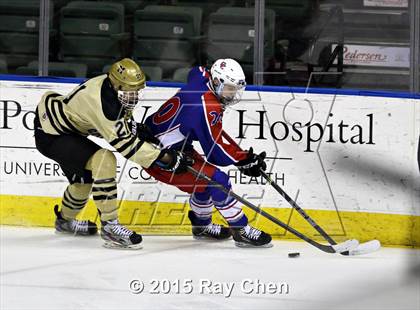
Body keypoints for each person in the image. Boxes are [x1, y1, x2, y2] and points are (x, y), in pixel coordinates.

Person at [34, 58, 187, 249]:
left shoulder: (112, 90)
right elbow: (127, 146)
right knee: (104, 161)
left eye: (137, 90)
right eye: (129, 90)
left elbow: (121, 125)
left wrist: (136, 130)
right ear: (115, 84)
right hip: (52, 133)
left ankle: (64, 222)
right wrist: (166, 158)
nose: (134, 96)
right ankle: (110, 227)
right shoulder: (102, 103)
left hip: (62, 128)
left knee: (82, 181)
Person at [144, 59, 272, 247]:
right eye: (229, 88)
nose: (233, 94)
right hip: (161, 157)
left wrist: (242, 157)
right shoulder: (207, 107)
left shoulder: (202, 79)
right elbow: (216, 152)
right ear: (217, 82)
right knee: (218, 181)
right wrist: (243, 160)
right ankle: (241, 230)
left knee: (204, 184)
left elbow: (197, 70)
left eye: (235, 89)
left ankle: (201, 226)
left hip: (170, 146)